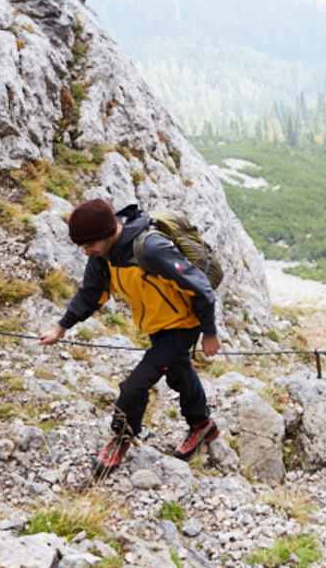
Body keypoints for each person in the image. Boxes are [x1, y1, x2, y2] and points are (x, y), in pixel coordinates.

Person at [38, 199, 221, 477]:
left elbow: (201, 288)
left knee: (133, 387)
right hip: (158, 323)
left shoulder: (150, 249)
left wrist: (209, 333)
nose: (86, 252)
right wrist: (61, 328)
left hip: (184, 323)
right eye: (82, 247)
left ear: (108, 233)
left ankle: (121, 438)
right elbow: (91, 294)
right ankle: (202, 424)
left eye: (89, 245)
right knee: (178, 371)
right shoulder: (103, 256)